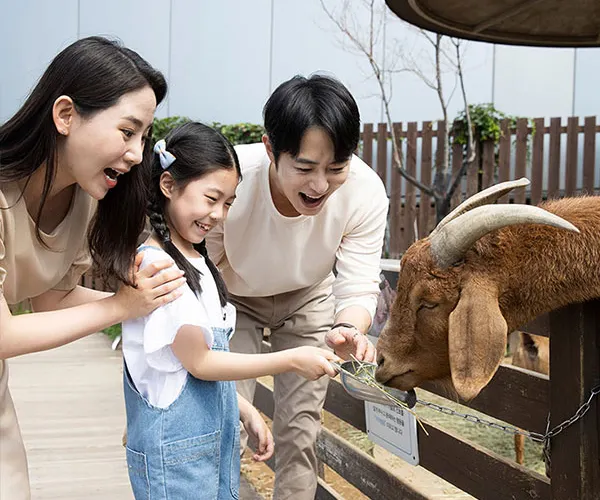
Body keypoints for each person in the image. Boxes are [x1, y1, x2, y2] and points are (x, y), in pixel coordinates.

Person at [0, 37, 186, 500]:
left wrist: (148, 303)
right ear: (65, 115)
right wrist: (121, 306)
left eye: (144, 136)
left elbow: (53, 299)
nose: (138, 153)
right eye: (127, 131)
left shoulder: (83, 199)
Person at [121, 122, 339, 499]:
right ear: (168, 185)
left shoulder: (197, 260)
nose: (219, 214)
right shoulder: (159, 267)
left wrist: (241, 409)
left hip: (206, 450)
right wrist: (291, 360)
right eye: (211, 198)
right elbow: (200, 362)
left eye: (228, 203)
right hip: (177, 459)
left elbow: (185, 372)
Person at [205, 74, 389, 499]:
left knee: (301, 429)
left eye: (336, 168)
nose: (320, 185)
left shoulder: (365, 192)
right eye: (304, 168)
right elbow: (202, 264)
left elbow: (358, 283)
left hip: (309, 296)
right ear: (270, 149)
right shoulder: (231, 179)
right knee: (224, 418)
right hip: (230, 296)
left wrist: (349, 329)